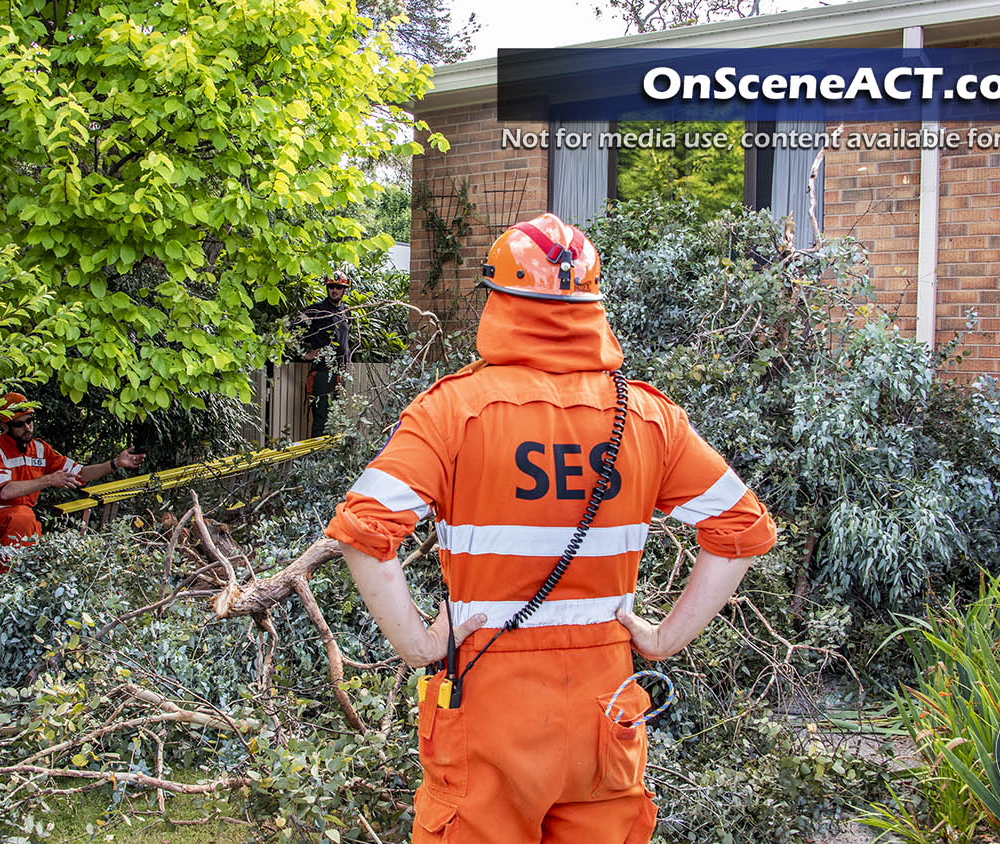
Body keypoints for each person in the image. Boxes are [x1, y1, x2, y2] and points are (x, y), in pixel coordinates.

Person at [323, 214, 777, 844]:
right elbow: (744, 528)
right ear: (592, 302)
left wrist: (420, 646)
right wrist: (666, 637)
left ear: (498, 300)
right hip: (606, 706)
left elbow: (363, 530)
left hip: (489, 701)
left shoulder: (453, 409)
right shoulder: (648, 416)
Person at [0, 392, 144, 574]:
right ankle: (5, 582)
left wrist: (115, 463)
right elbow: (5, 491)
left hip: (23, 522)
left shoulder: (40, 449)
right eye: (19, 424)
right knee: (23, 517)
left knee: (28, 525)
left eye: (30, 420)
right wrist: (49, 479)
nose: (27, 427)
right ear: (4, 426)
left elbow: (80, 473)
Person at [297, 271, 353, 436]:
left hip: (341, 371)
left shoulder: (346, 311)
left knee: (336, 418)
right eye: (331, 287)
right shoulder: (316, 310)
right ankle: (316, 459)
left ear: (344, 290)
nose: (334, 290)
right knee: (321, 419)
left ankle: (331, 458)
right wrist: (305, 354)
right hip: (322, 372)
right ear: (327, 288)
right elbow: (292, 332)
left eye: (338, 287)